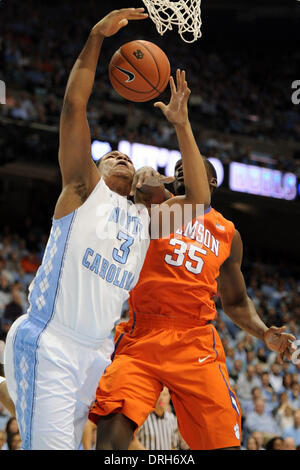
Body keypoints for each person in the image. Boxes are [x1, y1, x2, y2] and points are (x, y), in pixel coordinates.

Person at [3, 9, 210, 451]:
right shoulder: (82, 189)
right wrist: (96, 35)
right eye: (110, 154)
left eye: (127, 157)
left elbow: (200, 201)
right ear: (94, 167)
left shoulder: (147, 221)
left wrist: (182, 125)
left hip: (97, 356)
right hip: (51, 342)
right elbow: (74, 106)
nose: (120, 156)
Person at [89, 157, 295, 450]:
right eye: (177, 170)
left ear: (211, 181)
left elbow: (235, 301)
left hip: (194, 339)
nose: (182, 167)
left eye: (194, 167)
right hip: (143, 333)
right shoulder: (161, 208)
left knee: (225, 444)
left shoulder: (227, 233)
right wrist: (145, 179)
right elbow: (142, 185)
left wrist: (263, 332)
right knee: (110, 445)